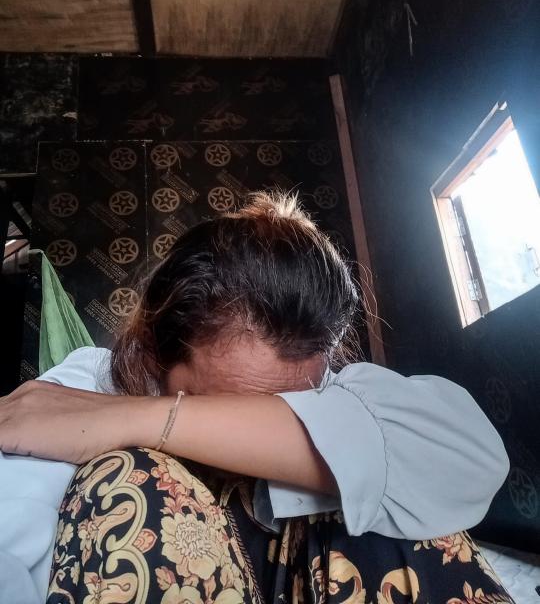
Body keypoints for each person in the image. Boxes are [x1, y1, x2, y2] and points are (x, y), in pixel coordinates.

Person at [0, 191, 513, 604]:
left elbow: (473, 464)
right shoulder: (85, 390)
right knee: (135, 475)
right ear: (158, 351)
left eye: (286, 405)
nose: (248, 424)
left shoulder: (337, 389)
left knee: (398, 497)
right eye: (223, 402)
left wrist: (142, 418)